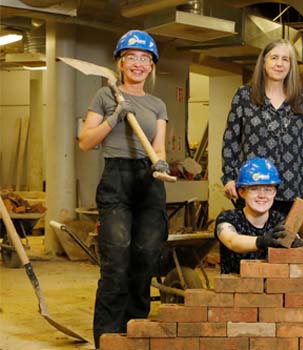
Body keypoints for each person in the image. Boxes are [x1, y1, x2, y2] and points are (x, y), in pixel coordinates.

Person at [78, 30, 170, 347]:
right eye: (132, 57)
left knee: (145, 261)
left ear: (152, 66)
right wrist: (114, 118)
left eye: (145, 58)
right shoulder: (106, 97)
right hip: (116, 177)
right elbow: (85, 142)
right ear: (121, 62)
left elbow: (159, 148)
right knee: (116, 263)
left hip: (149, 181)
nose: (139, 63)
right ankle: (108, 338)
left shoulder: (158, 104)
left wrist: (161, 164)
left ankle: (135, 334)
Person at [221, 38, 303, 215]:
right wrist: (229, 178)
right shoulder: (244, 96)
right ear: (264, 61)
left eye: (285, 59)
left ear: (291, 66)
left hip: (291, 192)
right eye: (274, 58)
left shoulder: (300, 101)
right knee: (253, 241)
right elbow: (230, 141)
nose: (279, 64)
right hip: (252, 188)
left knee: (282, 241)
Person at [215, 157, 303, 274]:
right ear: (242, 192)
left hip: (272, 287)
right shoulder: (229, 218)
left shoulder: (281, 220)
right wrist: (262, 242)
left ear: (275, 193)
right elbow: (232, 241)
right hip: (235, 288)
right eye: (254, 189)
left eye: (268, 189)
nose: (262, 195)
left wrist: (297, 247)